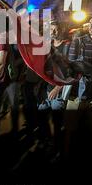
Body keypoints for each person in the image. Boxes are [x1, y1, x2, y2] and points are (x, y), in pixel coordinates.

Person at [65, 16, 92, 166]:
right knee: (71, 129)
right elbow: (70, 65)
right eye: (89, 23)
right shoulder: (79, 41)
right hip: (77, 92)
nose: (91, 26)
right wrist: (84, 68)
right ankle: (66, 158)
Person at [37, 20, 71, 157]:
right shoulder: (48, 46)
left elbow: (70, 71)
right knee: (41, 114)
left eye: (55, 29)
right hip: (46, 89)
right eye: (50, 29)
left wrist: (57, 88)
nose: (53, 32)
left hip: (59, 91)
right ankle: (47, 140)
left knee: (57, 122)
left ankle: (57, 148)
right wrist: (39, 85)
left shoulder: (67, 46)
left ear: (61, 30)